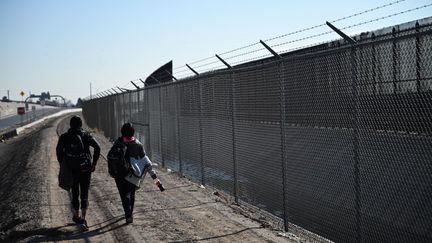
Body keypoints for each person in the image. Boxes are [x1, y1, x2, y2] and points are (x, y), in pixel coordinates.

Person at [111, 122, 164, 224]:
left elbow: (112, 158)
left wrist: (112, 171)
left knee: (123, 195)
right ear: (133, 132)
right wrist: (158, 183)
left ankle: (127, 212)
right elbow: (146, 161)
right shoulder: (138, 144)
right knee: (131, 193)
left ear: (122, 132)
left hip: (119, 174)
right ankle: (130, 213)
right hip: (133, 175)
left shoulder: (118, 143)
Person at [56, 115, 100, 230]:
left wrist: (63, 163)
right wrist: (94, 163)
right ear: (81, 125)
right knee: (84, 193)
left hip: (71, 169)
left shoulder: (64, 137)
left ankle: (76, 216)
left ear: (70, 125)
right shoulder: (86, 135)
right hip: (86, 169)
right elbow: (98, 147)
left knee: (75, 192)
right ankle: (84, 218)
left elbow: (59, 151)